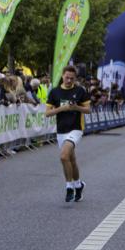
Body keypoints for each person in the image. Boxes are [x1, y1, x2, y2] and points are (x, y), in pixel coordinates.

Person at [45, 65, 91, 202]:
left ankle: (69, 187)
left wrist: (76, 107)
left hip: (76, 128)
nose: (69, 80)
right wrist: (62, 108)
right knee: (71, 160)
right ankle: (79, 185)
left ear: (75, 78)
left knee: (64, 156)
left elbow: (88, 110)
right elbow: (47, 113)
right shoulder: (54, 92)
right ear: (62, 76)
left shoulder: (80, 91)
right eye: (67, 77)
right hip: (61, 130)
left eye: (72, 78)